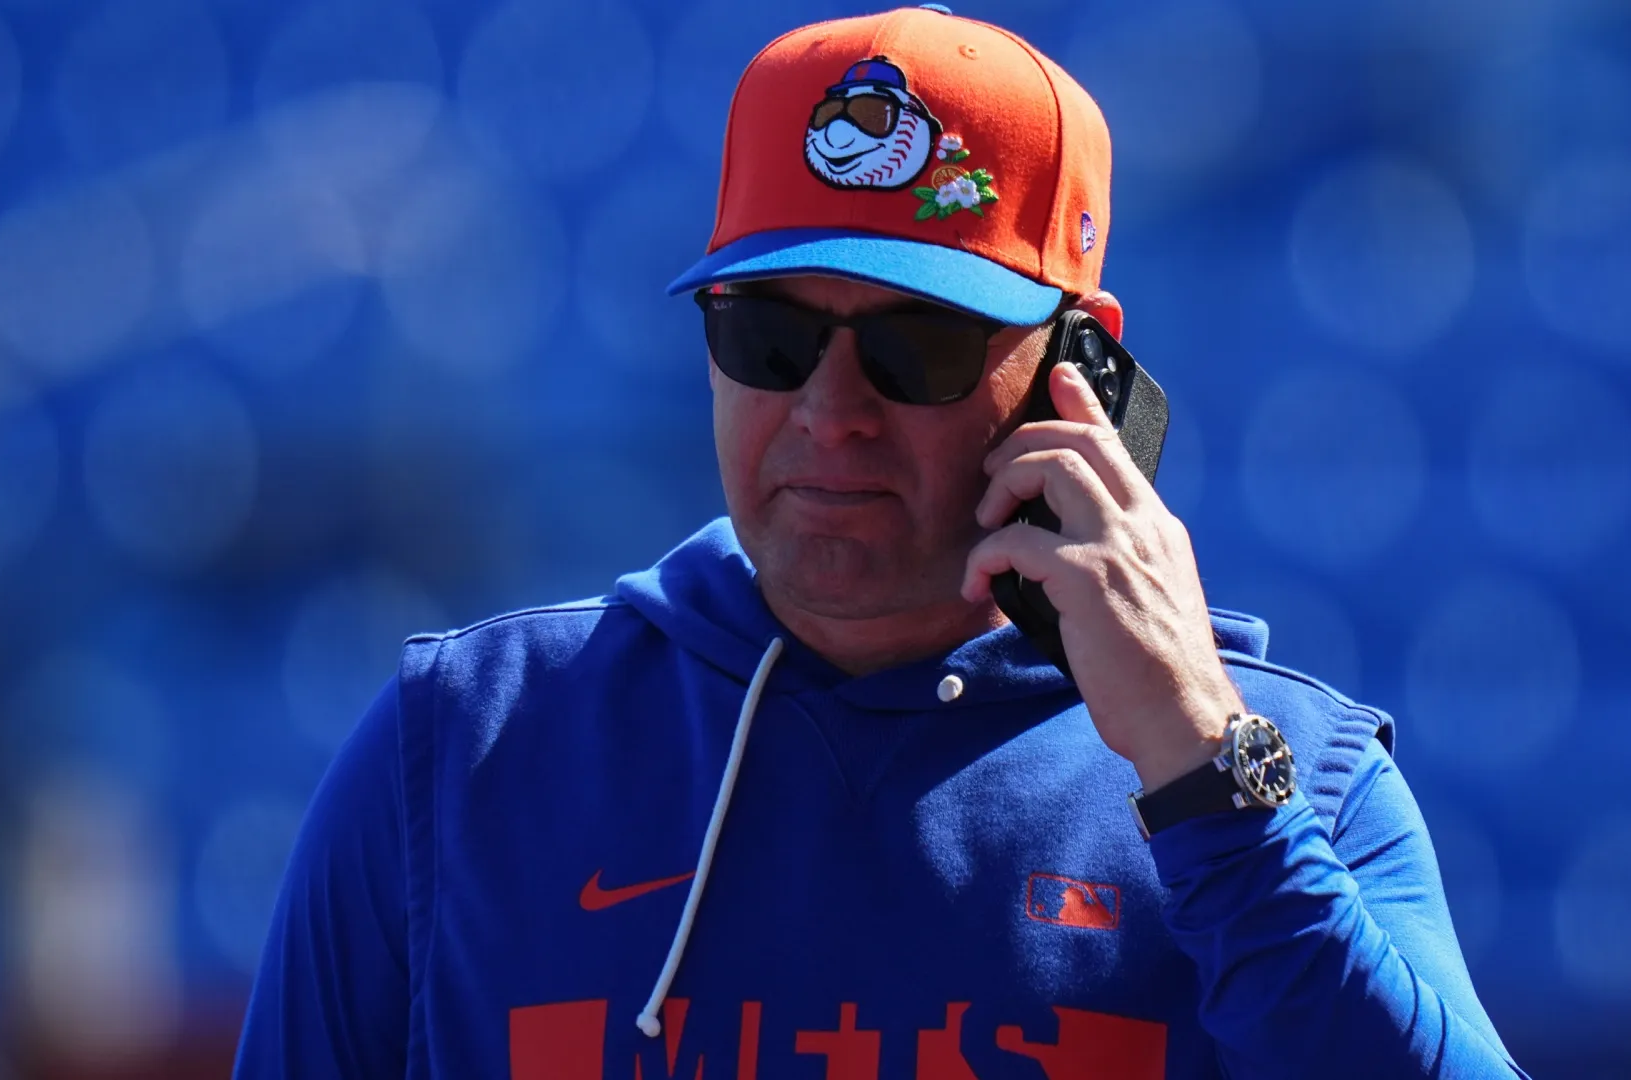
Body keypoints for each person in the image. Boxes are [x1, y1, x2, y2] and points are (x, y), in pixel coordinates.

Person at [236, 6, 1531, 1078]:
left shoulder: (1282, 778)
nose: (829, 412)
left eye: (918, 345)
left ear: (1079, 369)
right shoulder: (461, 747)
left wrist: (1200, 772)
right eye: (770, 335)